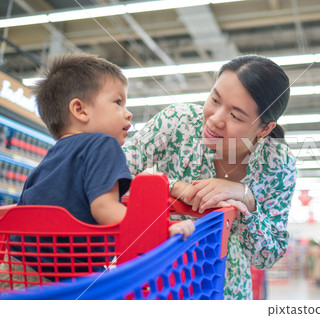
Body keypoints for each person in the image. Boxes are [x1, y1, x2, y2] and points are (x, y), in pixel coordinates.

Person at [0, 53, 194, 289]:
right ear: (80, 110)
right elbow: (104, 208)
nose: (128, 112)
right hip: (60, 280)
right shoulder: (104, 144)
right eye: (118, 102)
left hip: (15, 267)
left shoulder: (53, 155)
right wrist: (162, 229)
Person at [123, 54, 297, 299]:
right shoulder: (177, 123)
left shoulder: (278, 163)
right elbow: (111, 172)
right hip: (153, 275)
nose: (215, 119)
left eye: (236, 116)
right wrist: (172, 186)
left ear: (265, 129)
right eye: (215, 99)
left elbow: (267, 255)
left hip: (222, 283)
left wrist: (245, 198)